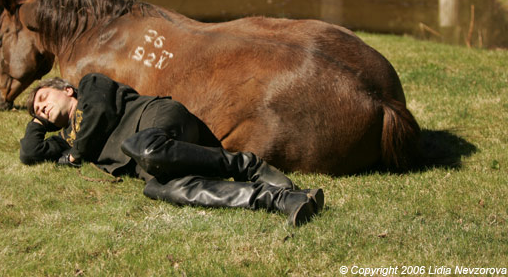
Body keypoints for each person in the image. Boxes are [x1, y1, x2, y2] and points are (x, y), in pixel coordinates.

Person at [19, 73, 324, 226]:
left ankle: (249, 166)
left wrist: (76, 153)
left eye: (44, 97)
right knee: (156, 189)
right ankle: (280, 199)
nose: (42, 106)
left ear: (66, 89)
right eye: (38, 108)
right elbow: (30, 153)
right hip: (151, 162)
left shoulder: (90, 85)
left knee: (141, 147)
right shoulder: (66, 136)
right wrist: (37, 123)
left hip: (157, 119)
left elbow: (98, 114)